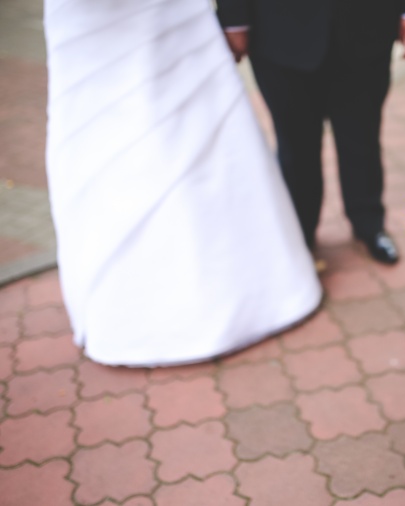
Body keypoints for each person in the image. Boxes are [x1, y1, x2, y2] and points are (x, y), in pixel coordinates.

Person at [42, 0, 323, 367]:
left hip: (166, 12)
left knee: (197, 125)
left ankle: (240, 295)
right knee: (105, 134)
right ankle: (138, 306)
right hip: (89, 24)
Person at [215, 0, 405, 264]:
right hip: (276, 27)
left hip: (368, 22)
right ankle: (300, 234)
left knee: (363, 138)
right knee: (294, 146)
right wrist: (234, 17)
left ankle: (369, 225)